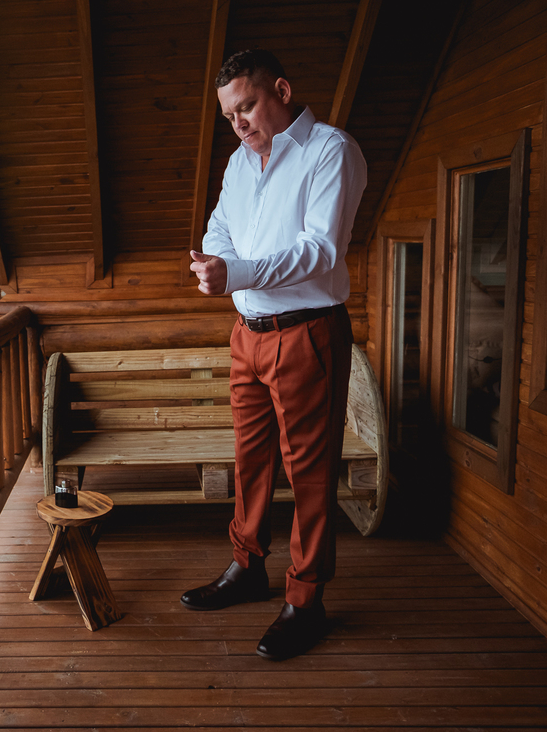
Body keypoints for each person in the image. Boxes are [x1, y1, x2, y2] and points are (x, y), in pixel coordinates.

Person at [182, 49, 366, 660]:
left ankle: (306, 601)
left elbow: (320, 251)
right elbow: (218, 228)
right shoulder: (239, 163)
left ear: (281, 91)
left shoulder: (330, 151)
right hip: (247, 333)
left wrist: (234, 272)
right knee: (251, 459)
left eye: (247, 106)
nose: (238, 124)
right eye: (229, 116)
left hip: (307, 333)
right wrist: (217, 263)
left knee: (310, 472)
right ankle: (247, 568)